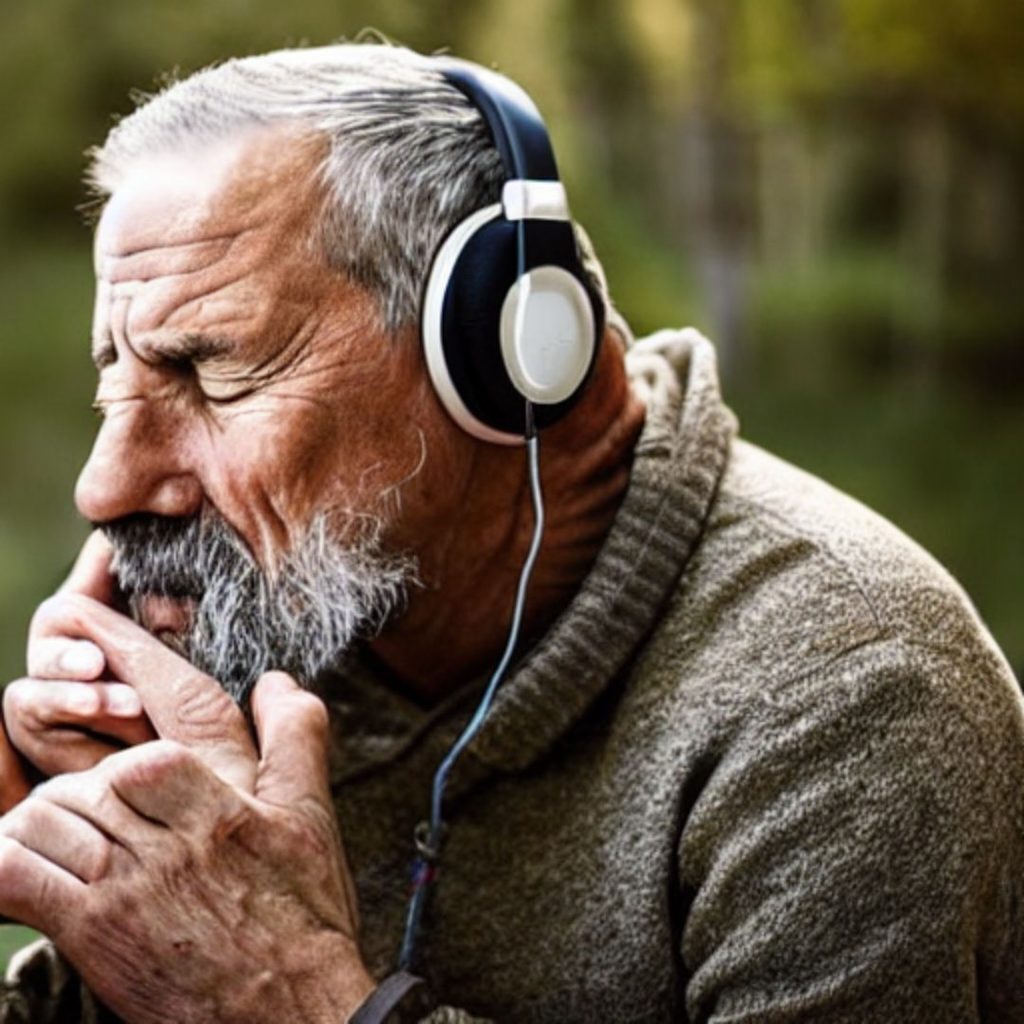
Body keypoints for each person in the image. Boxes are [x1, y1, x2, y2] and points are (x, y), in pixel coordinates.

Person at [0, 42, 1021, 1024]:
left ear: (502, 351)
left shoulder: (853, 696)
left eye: (209, 374)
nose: (105, 486)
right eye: (113, 386)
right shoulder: (287, 624)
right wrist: (65, 858)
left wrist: (290, 996)